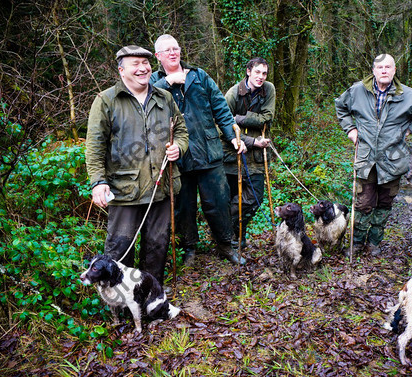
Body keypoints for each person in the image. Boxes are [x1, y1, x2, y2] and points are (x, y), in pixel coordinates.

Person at [85, 45, 189, 285]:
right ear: (122, 70)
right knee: (120, 247)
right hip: (124, 190)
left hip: (161, 187)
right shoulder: (106, 100)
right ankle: (118, 300)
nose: (143, 68)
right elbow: (95, 146)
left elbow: (181, 131)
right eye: (136, 64)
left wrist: (178, 147)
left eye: (146, 63)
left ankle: (149, 295)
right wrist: (98, 182)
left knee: (157, 244)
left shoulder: (164, 97)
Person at [150, 34, 246, 266]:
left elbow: (221, 109)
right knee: (184, 207)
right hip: (177, 157)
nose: (173, 53)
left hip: (209, 153)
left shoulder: (200, 76)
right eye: (167, 50)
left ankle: (225, 245)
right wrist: (168, 84)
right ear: (158, 56)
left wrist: (232, 137)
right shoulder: (153, 80)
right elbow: (144, 102)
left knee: (218, 202)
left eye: (176, 48)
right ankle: (189, 249)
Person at [335, 54, 412, 256]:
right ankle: (357, 242)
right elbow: (340, 107)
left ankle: (374, 242)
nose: (384, 70)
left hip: (393, 158)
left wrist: (411, 128)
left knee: (384, 203)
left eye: (388, 67)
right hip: (366, 157)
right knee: (363, 202)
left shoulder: (409, 95)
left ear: (394, 71)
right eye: (380, 67)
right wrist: (350, 130)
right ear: (374, 71)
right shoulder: (357, 91)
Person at [223, 57, 275, 248]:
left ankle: (229, 227)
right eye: (257, 72)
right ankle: (235, 237)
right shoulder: (233, 94)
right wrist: (251, 141)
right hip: (232, 152)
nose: (261, 77)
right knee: (231, 195)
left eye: (264, 73)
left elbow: (267, 118)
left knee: (254, 197)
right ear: (248, 72)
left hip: (257, 157)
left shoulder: (268, 89)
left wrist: (240, 118)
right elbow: (223, 125)